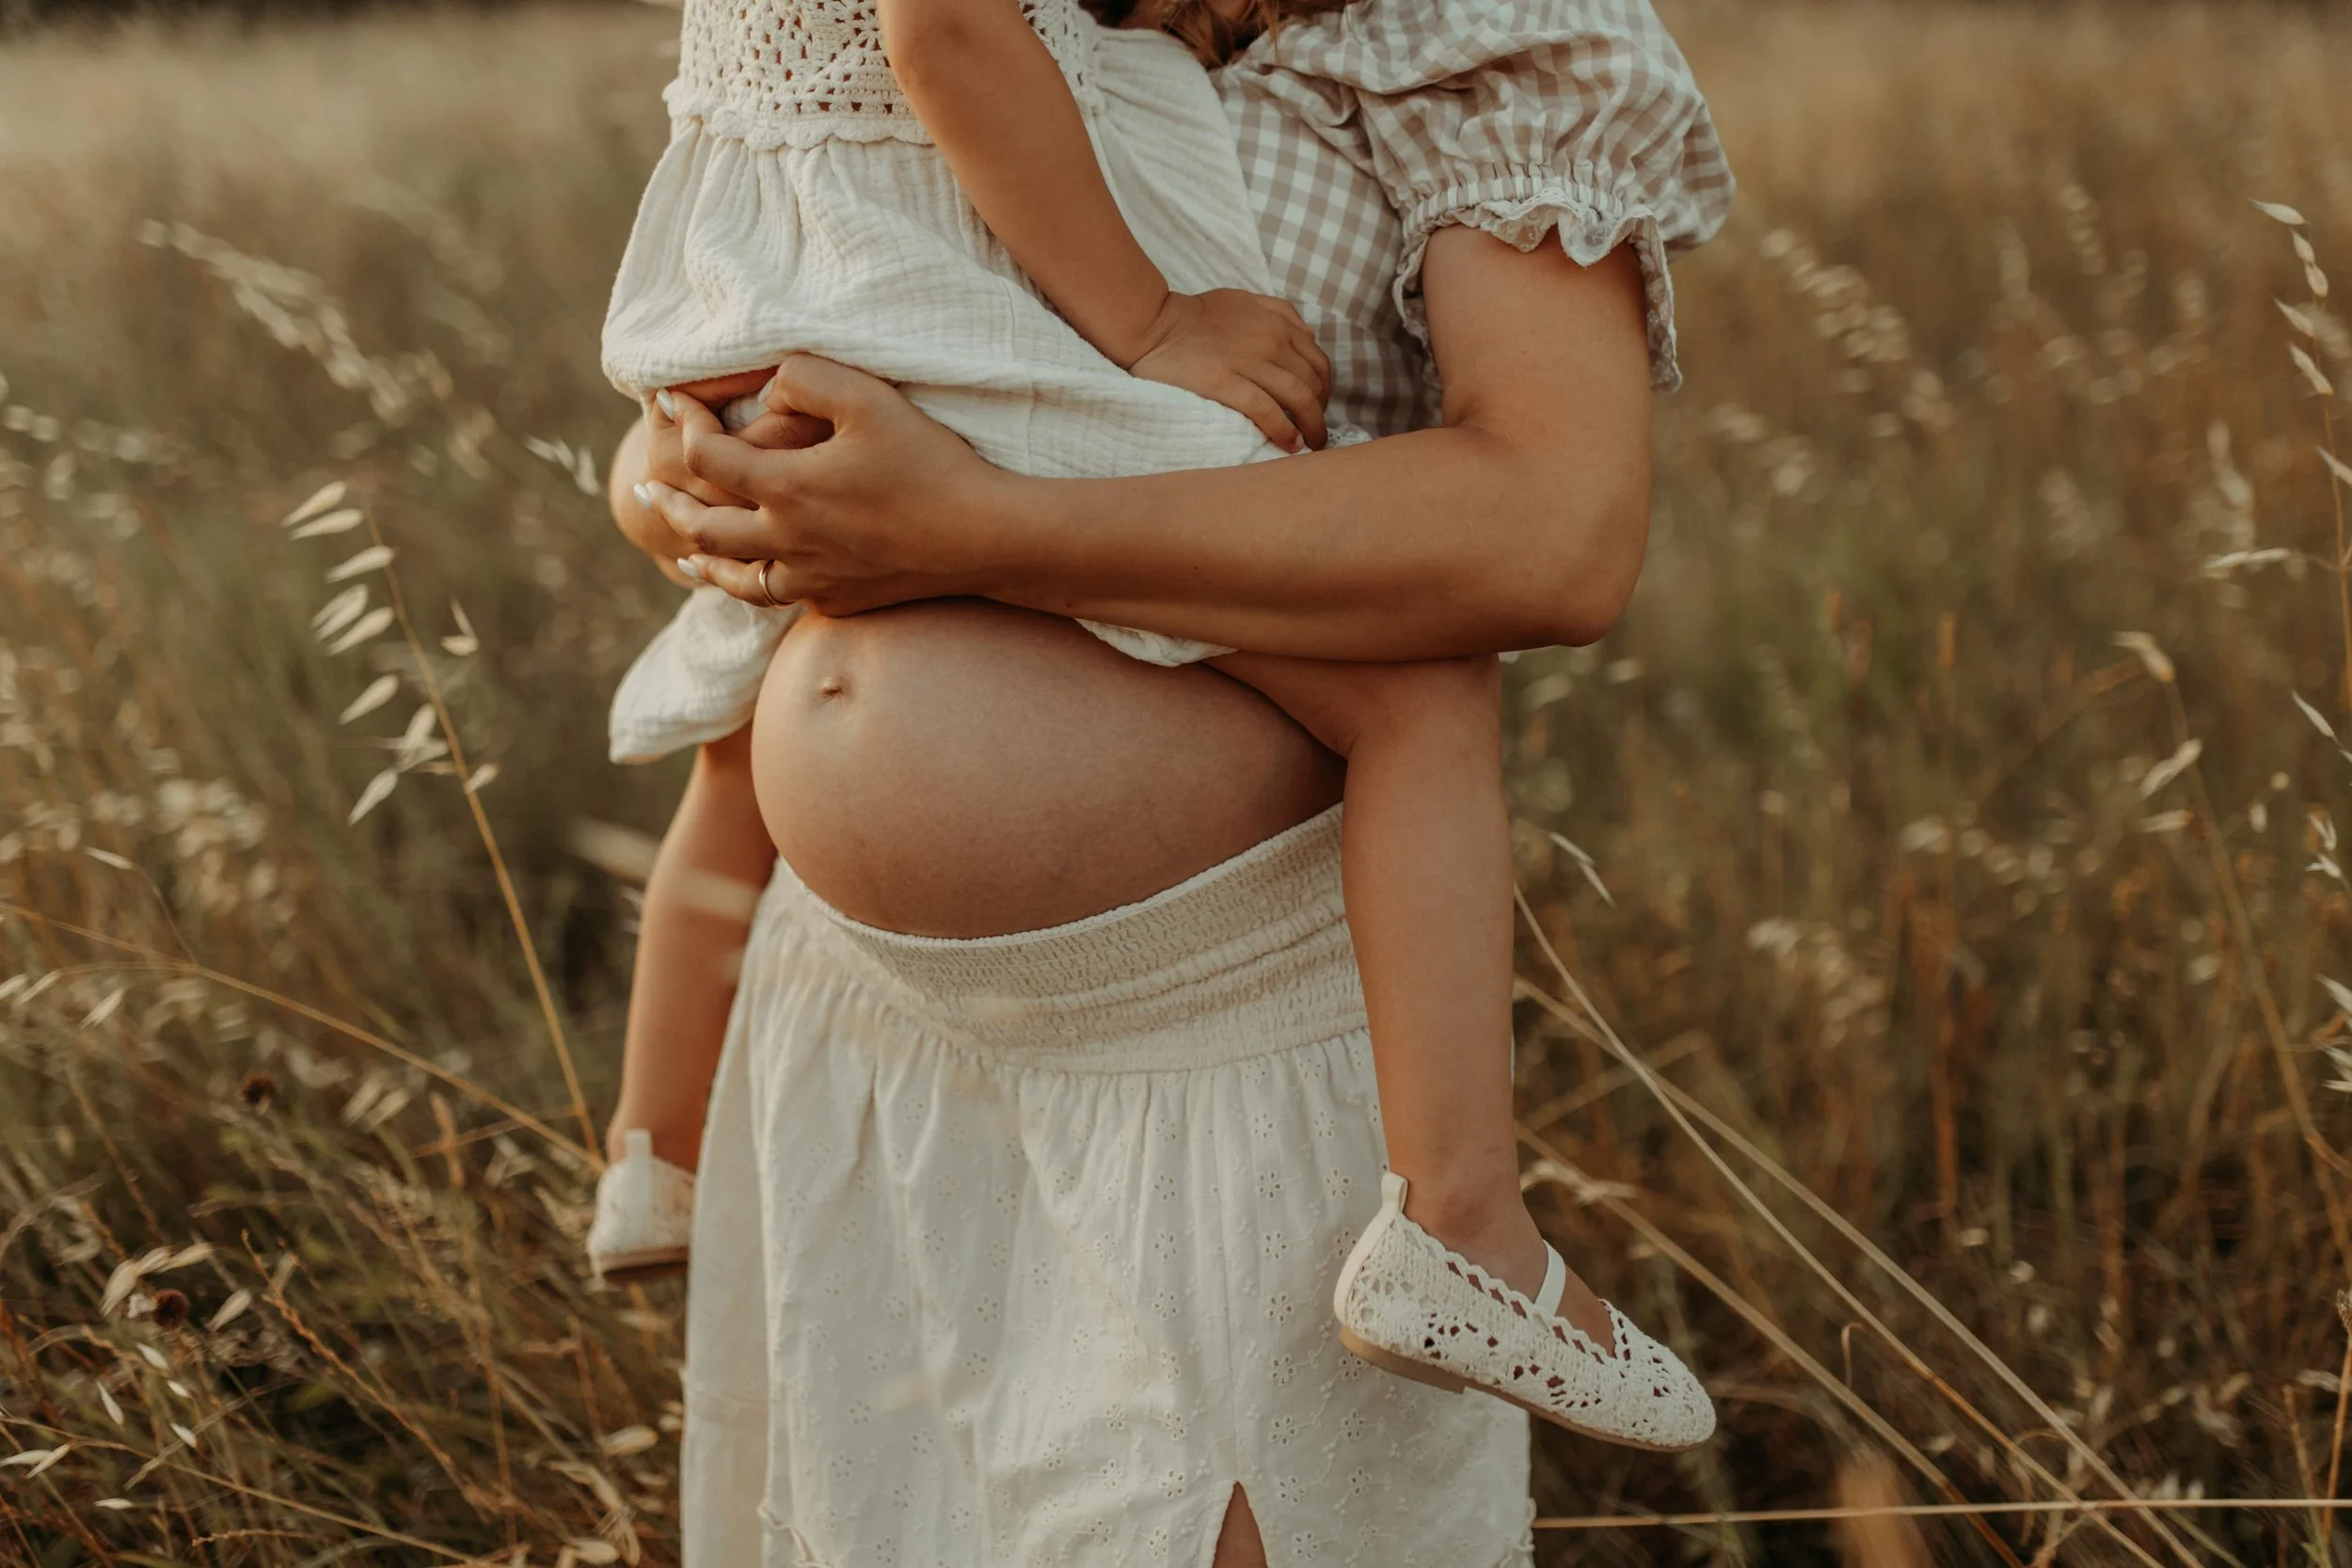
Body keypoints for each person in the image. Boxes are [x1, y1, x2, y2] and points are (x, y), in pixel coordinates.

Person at [609, 0, 1732, 1557]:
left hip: (1206, 1074)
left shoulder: (1495, 32)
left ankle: (1456, 1222)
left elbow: (1554, 532)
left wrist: (973, 528)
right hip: (874, 1035)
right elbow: (830, 288)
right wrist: (682, 481)